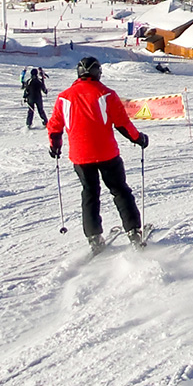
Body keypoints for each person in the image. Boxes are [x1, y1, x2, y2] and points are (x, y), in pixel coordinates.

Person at [48, 56, 148, 254]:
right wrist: (139, 139)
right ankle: (134, 232)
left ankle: (93, 237)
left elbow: (54, 126)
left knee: (90, 193)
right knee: (120, 190)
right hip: (107, 154)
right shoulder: (107, 94)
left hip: (80, 156)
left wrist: (55, 146)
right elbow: (122, 124)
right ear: (97, 73)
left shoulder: (63, 97)